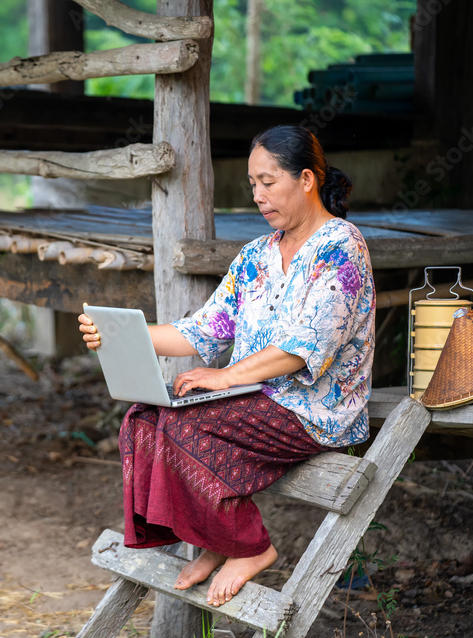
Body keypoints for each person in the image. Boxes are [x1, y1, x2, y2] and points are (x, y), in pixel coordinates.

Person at [77, 124, 375, 607]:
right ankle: (218, 539)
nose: (258, 195)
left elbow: (304, 348)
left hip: (313, 410)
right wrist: (115, 334)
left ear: (305, 180)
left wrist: (227, 376)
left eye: (268, 182)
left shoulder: (341, 246)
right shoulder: (256, 255)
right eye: (252, 184)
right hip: (252, 400)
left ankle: (251, 547)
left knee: (181, 428)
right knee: (145, 419)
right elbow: (201, 330)